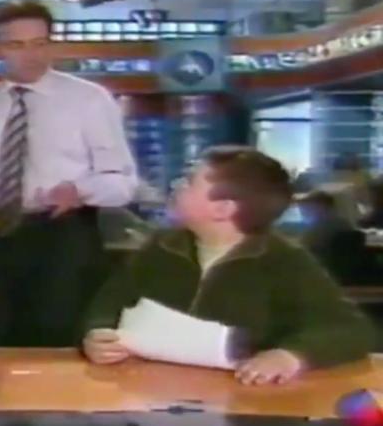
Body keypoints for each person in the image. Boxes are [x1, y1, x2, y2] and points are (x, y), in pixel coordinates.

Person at [0, 0, 137, 347]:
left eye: (40, 43)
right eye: (16, 45)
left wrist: (80, 190)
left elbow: (122, 181)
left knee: (59, 344)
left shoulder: (89, 99)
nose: (32, 55)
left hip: (65, 238)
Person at [82, 146, 374, 386]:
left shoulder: (284, 260)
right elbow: (110, 302)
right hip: (148, 395)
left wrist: (291, 356)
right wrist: (98, 334)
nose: (175, 186)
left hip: (244, 403)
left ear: (223, 209)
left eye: (188, 182)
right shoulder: (160, 248)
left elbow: (351, 329)